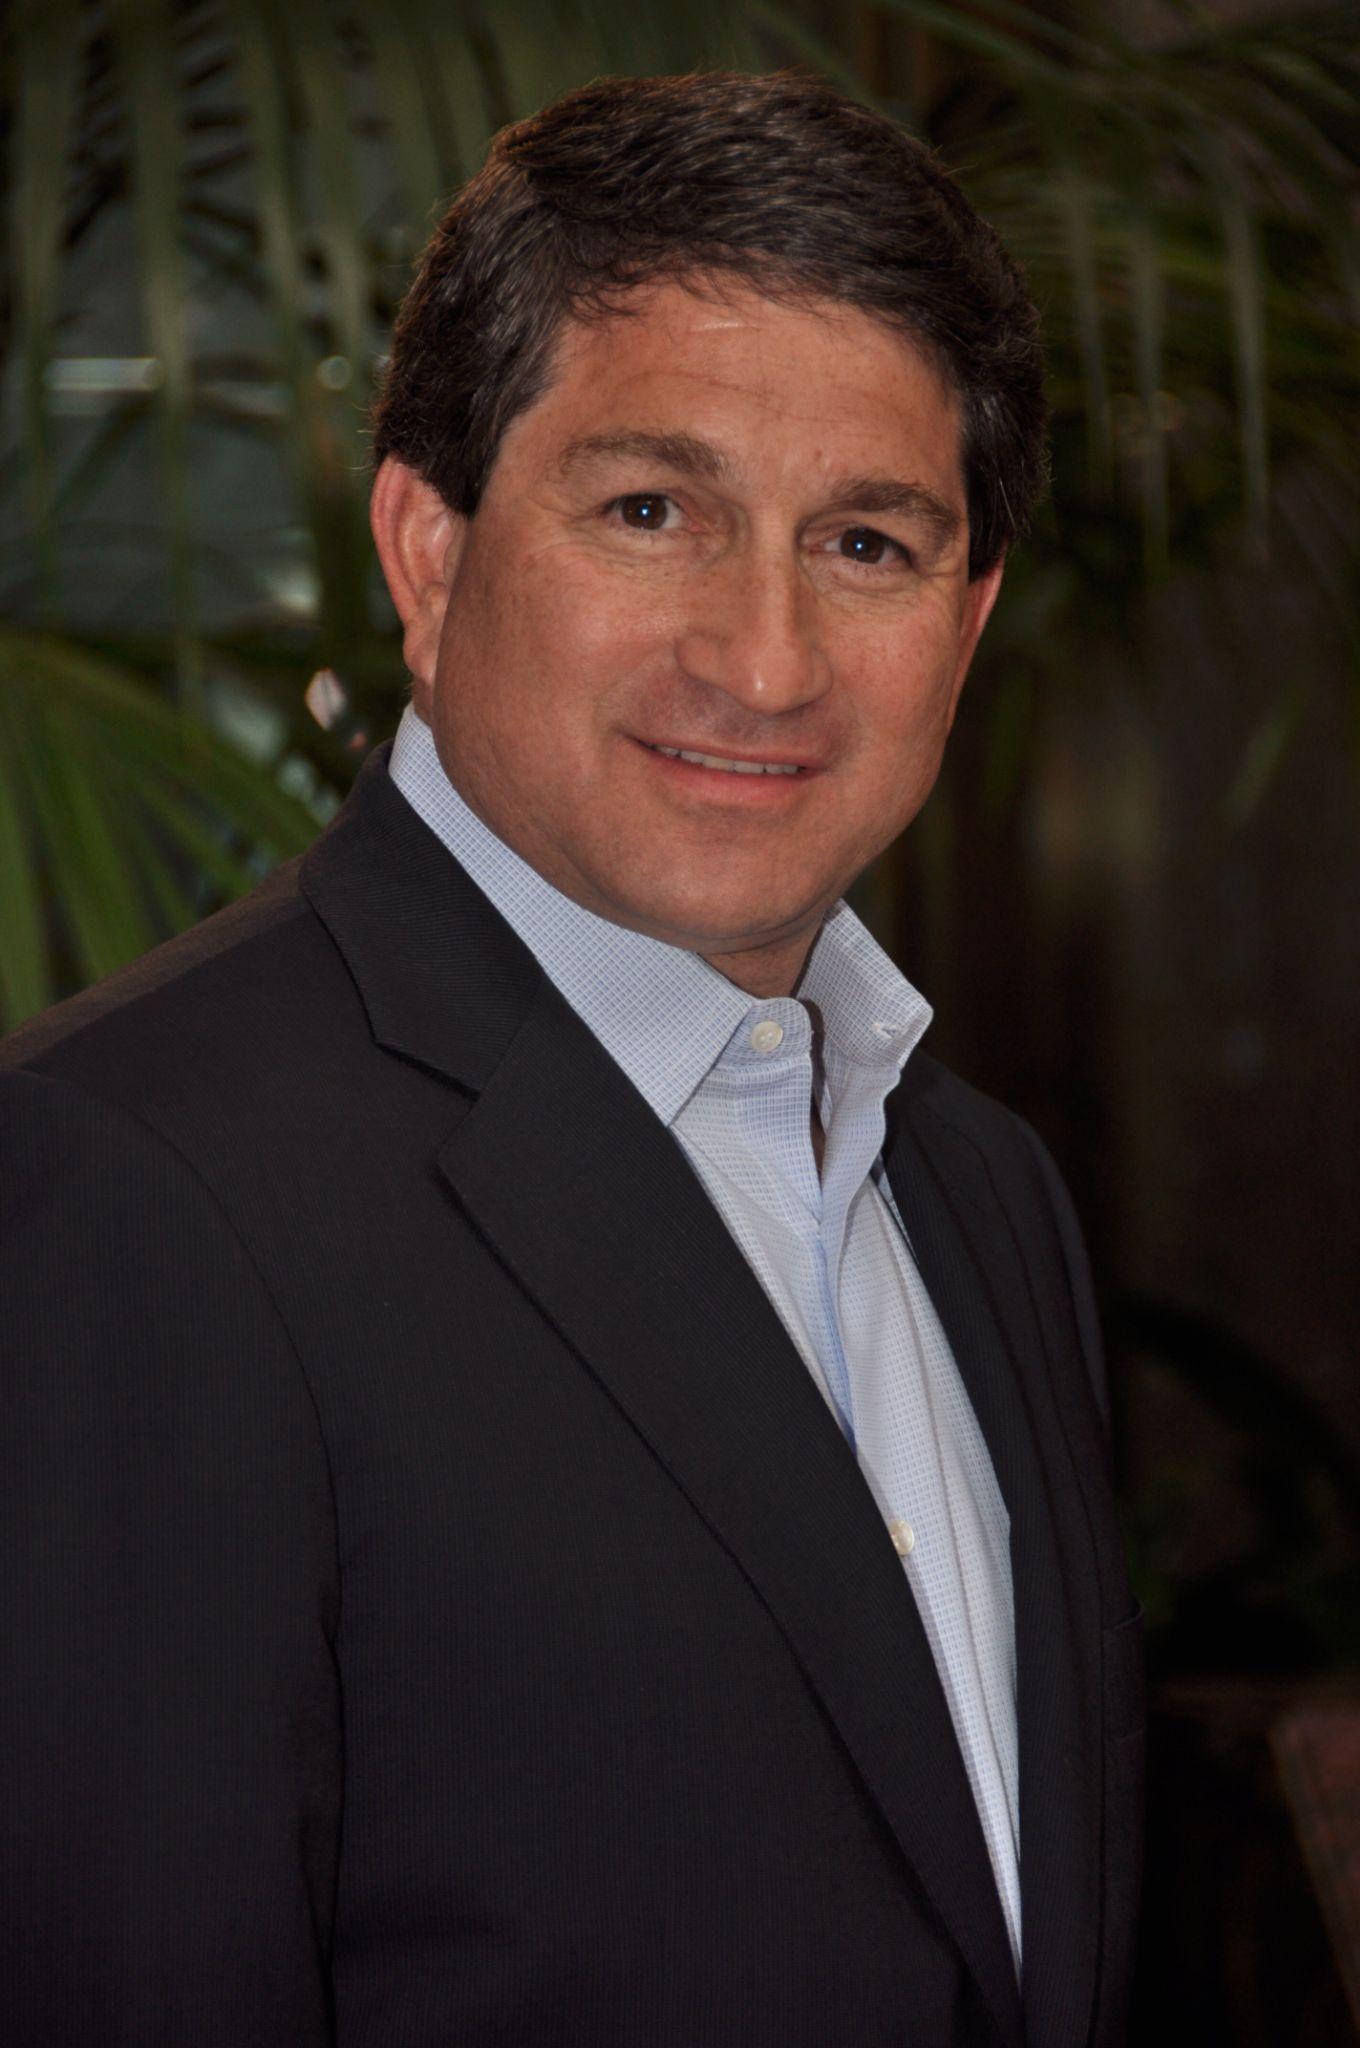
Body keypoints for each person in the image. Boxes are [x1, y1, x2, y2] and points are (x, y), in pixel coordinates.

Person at [0, 70, 1143, 2048]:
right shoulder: (132, 1191)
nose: (764, 659)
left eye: (865, 544)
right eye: (650, 512)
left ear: (964, 623)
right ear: (426, 554)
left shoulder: (985, 1192)